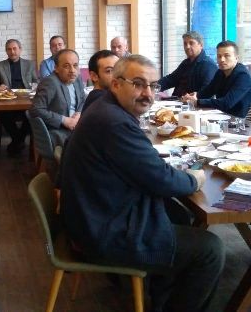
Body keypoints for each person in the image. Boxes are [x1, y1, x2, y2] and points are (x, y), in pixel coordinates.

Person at [60, 55, 224, 312]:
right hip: (101, 232)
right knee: (210, 250)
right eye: (138, 84)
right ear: (116, 84)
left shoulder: (107, 109)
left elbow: (149, 170)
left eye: (153, 85)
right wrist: (195, 179)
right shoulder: (114, 121)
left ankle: (161, 298)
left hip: (94, 215)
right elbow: (161, 179)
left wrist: (170, 174)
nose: (148, 93)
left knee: (179, 214)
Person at [181, 41, 251, 117]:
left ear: (236, 58)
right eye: (219, 56)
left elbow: (226, 103)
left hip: (240, 121)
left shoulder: (243, 76)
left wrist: (197, 102)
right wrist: (194, 96)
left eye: (227, 56)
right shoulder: (220, 72)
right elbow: (208, 91)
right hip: (222, 117)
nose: (222, 59)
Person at [30, 49, 86, 148]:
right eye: (66, 66)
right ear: (56, 68)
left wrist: (78, 114)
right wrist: (64, 120)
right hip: (58, 130)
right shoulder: (50, 82)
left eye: (75, 65)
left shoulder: (77, 78)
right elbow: (36, 109)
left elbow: (83, 100)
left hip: (76, 125)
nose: (72, 70)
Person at [0, 39, 38, 155]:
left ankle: (16, 142)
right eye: (9, 49)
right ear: (6, 51)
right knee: (3, 114)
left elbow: (36, 81)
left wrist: (34, 86)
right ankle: (19, 141)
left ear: (20, 49)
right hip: (8, 100)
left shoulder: (30, 64)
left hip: (26, 98)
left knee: (32, 113)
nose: (12, 52)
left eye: (14, 49)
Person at [158, 31, 217, 98]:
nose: (187, 47)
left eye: (191, 43)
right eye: (185, 44)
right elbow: (170, 79)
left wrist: (193, 98)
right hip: (176, 101)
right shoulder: (185, 63)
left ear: (201, 45)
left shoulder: (209, 65)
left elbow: (207, 91)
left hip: (192, 103)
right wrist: (153, 87)